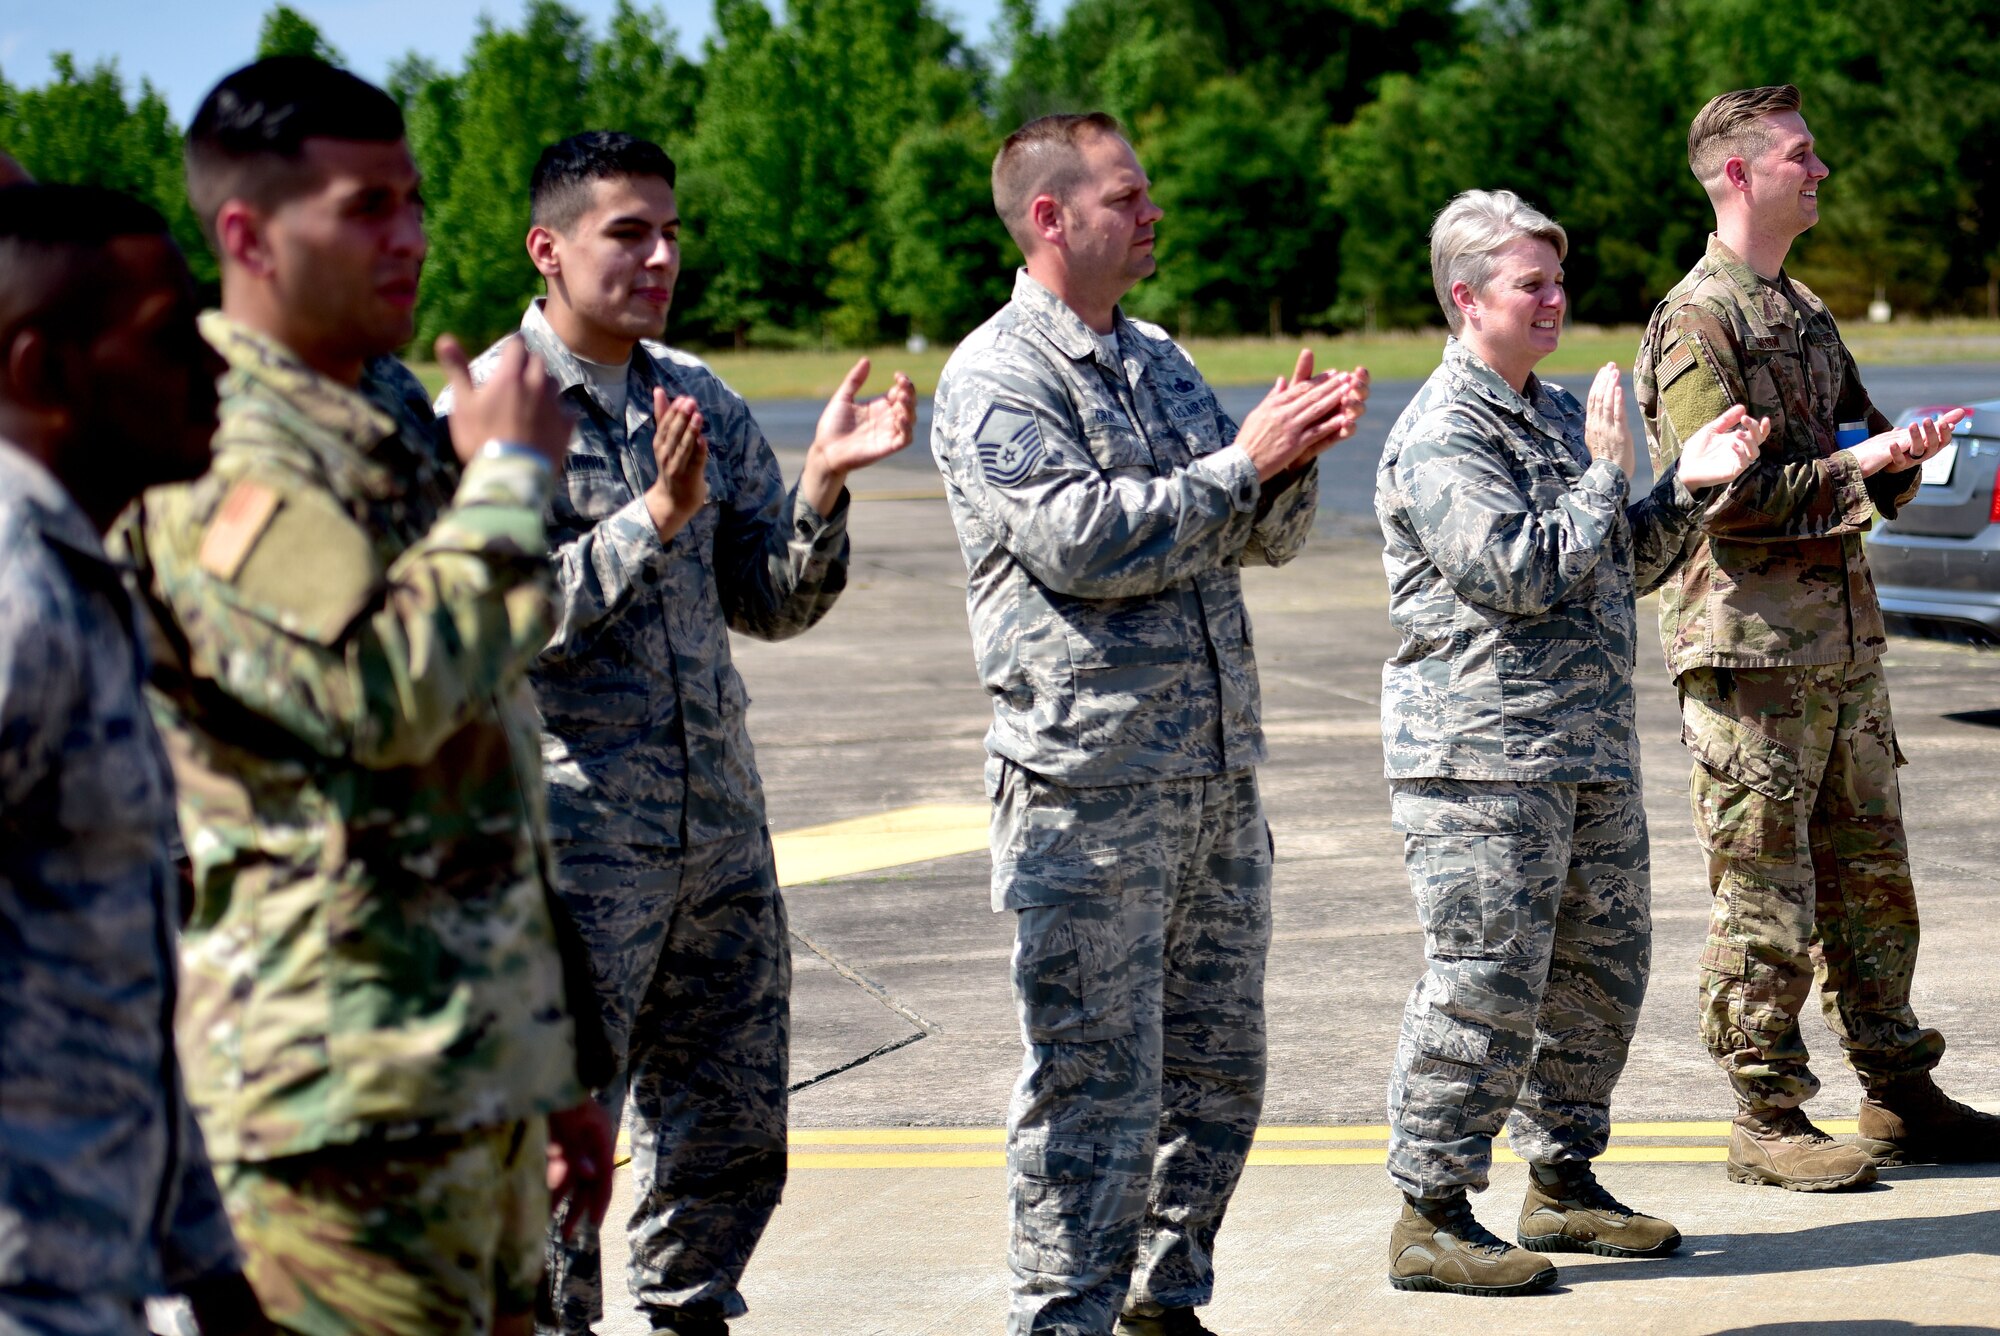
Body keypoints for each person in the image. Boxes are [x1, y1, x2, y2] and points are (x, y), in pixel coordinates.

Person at [110, 58, 615, 1335]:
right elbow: (374, 689)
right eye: (363, 209)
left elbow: (477, 751)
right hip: (337, 1106)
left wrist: (549, 1062)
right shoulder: (213, 443)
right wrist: (505, 478)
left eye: (413, 201)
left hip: (466, 1080)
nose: (408, 238)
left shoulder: (374, 424)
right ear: (246, 234)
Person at [437, 130, 915, 1336]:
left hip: (717, 843)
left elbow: (770, 601)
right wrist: (647, 518)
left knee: (731, 1117)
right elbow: (482, 621)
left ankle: (688, 1310)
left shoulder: (694, 393)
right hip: (567, 847)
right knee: (553, 1141)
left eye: (672, 231)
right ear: (547, 249)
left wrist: (818, 491)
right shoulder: (495, 410)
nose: (660, 257)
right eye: (627, 234)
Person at [931, 112, 1368, 1336]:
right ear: (1049, 217)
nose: (1151, 212)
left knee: (1216, 1074)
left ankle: (1163, 1304)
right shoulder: (997, 375)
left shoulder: (1162, 358)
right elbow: (1079, 539)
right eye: (1126, 196)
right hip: (1087, 786)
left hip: (1212, 777)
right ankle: (1059, 1318)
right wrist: (1240, 465)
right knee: (1089, 1085)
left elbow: (1253, 541)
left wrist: (1287, 463)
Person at [1375, 189, 1765, 1296]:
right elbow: (1518, 569)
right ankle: (1429, 1211)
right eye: (1529, 284)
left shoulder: (1550, 416)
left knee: (1597, 977)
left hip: (1583, 750)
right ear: (1465, 298)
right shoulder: (1443, 435)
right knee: (1481, 985)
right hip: (1480, 763)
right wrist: (1605, 476)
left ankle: (1560, 1181)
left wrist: (1685, 494)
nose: (1555, 300)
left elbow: (1612, 561)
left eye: (1558, 279)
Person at [1634, 84, 1999, 1190]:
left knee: (1870, 879)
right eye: (1798, 154)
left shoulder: (1802, 312)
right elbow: (1724, 497)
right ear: (1736, 174)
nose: (1819, 169)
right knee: (1763, 891)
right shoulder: (1699, 321)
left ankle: (1895, 1088)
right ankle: (1764, 1113)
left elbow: (1848, 444)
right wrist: (1862, 468)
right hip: (1749, 657)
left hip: (1837, 646)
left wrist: (1902, 453)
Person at [0, 183, 269, 1336]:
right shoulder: (16, 600)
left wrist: (209, 1267)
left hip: (92, 1263)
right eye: (168, 340)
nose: (215, 372)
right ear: (43, 374)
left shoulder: (77, 575)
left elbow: (107, 977)